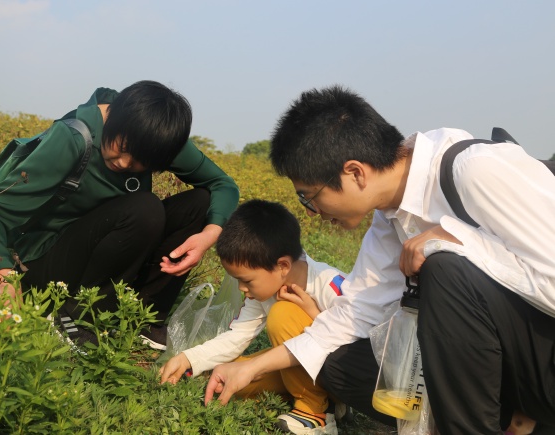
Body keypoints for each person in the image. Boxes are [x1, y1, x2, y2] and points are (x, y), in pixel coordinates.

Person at [203, 85, 555, 434]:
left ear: (355, 172)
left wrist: (455, 238)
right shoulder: (390, 218)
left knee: (444, 266)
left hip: (542, 365)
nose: (312, 213)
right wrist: (252, 367)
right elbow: (354, 313)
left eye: (309, 197)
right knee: (334, 363)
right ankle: (502, 417)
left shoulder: (474, 170)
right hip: (494, 366)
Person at [0, 81, 239, 349]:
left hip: (107, 251)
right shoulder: (73, 138)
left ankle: (143, 318)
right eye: (122, 147)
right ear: (113, 120)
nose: (123, 163)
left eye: (140, 161)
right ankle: (76, 316)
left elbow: (222, 184)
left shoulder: (156, 141)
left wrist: (209, 234)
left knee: (200, 203)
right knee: (145, 208)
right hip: (46, 261)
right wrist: (2, 274)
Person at [160, 199, 346, 434]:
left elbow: (358, 343)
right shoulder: (265, 290)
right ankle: (326, 401)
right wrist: (189, 358)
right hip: (302, 369)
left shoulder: (330, 285)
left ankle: (315, 411)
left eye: (246, 280)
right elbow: (237, 337)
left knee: (283, 313)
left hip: (341, 373)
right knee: (225, 375)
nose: (241, 288)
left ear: (283, 266)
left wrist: (314, 314)